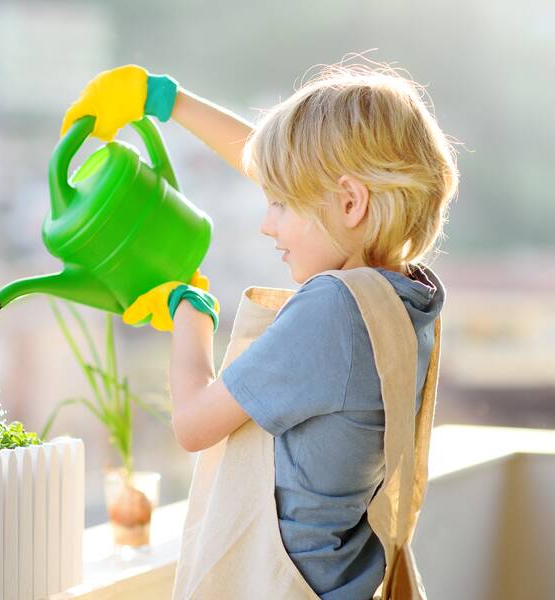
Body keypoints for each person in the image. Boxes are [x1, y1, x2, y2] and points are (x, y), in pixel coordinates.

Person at [60, 59, 459, 599]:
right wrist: (169, 102)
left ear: (349, 202)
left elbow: (193, 425)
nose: (266, 223)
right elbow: (306, 181)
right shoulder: (407, 297)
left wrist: (188, 310)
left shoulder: (333, 311)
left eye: (279, 205)